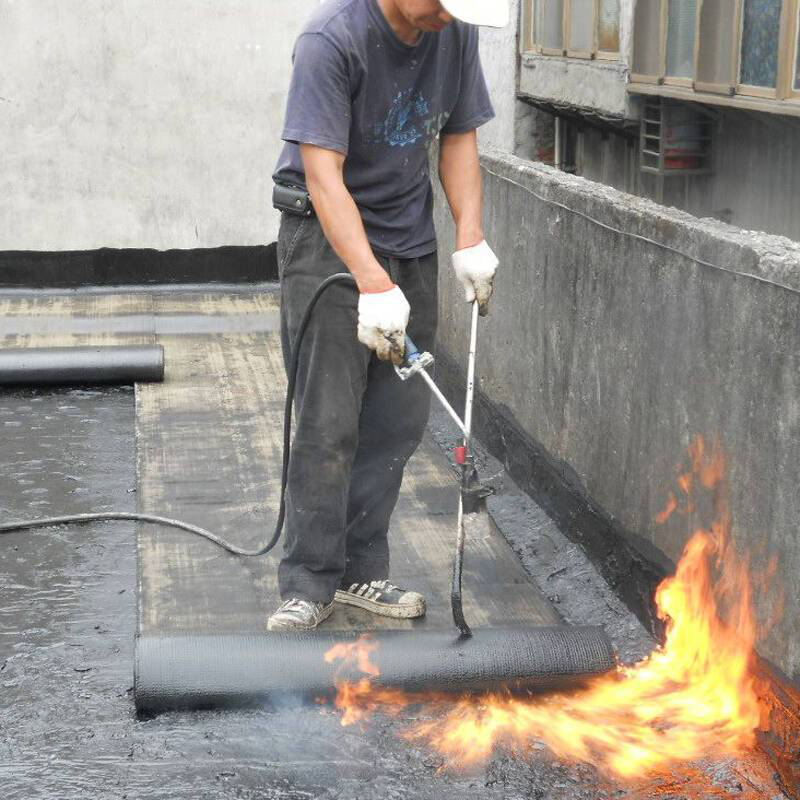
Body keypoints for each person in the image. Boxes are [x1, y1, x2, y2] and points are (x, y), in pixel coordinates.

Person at [268, 0, 506, 631]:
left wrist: (469, 238)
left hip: (410, 241)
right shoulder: (332, 38)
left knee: (396, 422)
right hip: (326, 243)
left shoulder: (453, 33)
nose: (446, 18)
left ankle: (358, 572)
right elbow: (323, 177)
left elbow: (457, 137)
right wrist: (370, 283)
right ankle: (309, 582)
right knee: (329, 419)